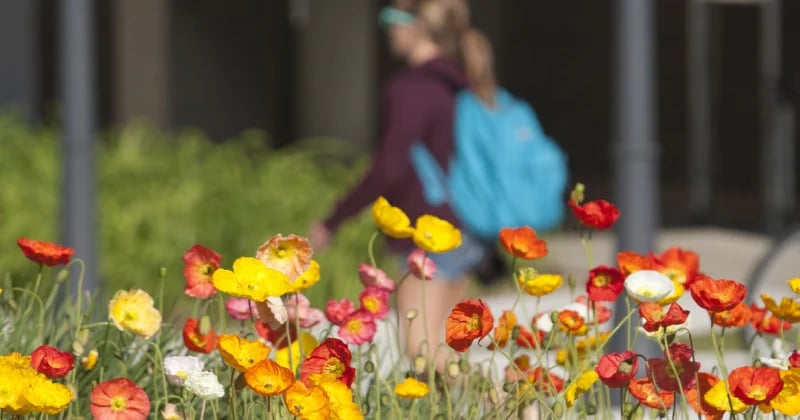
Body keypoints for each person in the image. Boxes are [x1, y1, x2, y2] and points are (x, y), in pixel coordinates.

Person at [309, 0, 498, 370]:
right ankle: (501, 398)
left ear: (419, 27)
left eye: (392, 18)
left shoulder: (412, 88)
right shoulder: (460, 84)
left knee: (421, 350)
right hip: (464, 229)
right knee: (441, 350)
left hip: (426, 234)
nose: (388, 28)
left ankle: (508, 398)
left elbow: (389, 167)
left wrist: (334, 220)